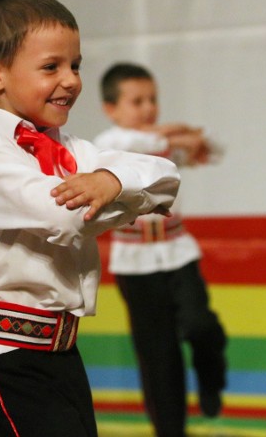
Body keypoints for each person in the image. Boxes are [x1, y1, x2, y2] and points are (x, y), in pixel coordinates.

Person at [0, 0, 181, 437]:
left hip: (60, 353)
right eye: (51, 67)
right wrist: (123, 199)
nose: (72, 79)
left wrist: (111, 182)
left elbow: (165, 177)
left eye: (75, 65)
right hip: (7, 358)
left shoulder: (70, 149)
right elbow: (66, 216)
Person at [92, 62, 227, 436]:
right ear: (111, 109)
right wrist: (170, 135)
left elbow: (215, 148)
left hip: (178, 252)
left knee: (201, 325)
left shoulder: (163, 143)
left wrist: (179, 134)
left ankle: (211, 374)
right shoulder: (107, 146)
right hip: (135, 264)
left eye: (153, 99)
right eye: (137, 101)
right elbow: (125, 143)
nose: (149, 108)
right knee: (159, 357)